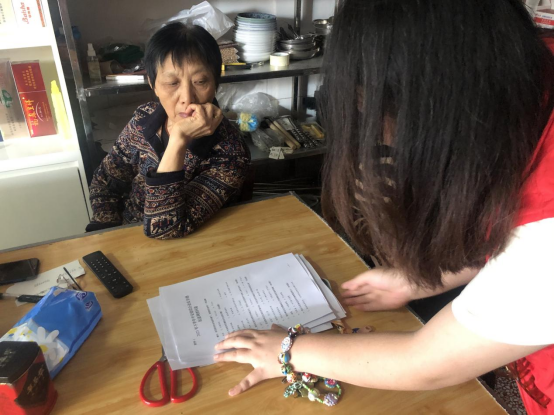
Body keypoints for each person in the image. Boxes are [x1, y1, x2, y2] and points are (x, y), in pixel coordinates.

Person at [214, 1, 554, 414]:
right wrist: (424, 279)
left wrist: (288, 350)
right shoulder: (523, 73)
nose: (380, 133)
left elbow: (428, 363)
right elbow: (515, 244)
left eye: (375, 110)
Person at [87, 23, 251, 239]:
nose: (187, 98)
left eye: (200, 81)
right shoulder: (143, 119)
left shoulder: (229, 150)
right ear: (153, 84)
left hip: (190, 246)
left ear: (215, 83)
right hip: (127, 237)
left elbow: (166, 228)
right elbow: (104, 181)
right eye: (172, 83)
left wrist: (178, 140)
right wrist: (106, 233)